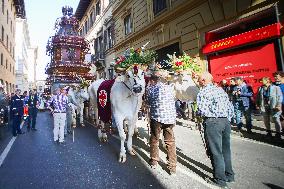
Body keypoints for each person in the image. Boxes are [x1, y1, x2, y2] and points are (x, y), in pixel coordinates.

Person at [196, 72, 234, 188]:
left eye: (199, 80)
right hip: (225, 121)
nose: (198, 82)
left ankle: (220, 179)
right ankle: (229, 174)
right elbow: (230, 107)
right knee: (226, 149)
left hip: (213, 122)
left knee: (216, 151)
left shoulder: (203, 92)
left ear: (203, 80)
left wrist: (197, 114)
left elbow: (202, 110)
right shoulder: (220, 90)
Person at [146, 71, 177, 175]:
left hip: (157, 118)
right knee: (170, 142)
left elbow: (148, 102)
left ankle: (154, 161)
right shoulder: (170, 87)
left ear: (153, 80)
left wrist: (148, 87)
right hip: (170, 119)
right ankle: (172, 167)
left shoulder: (152, 88)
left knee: (154, 139)